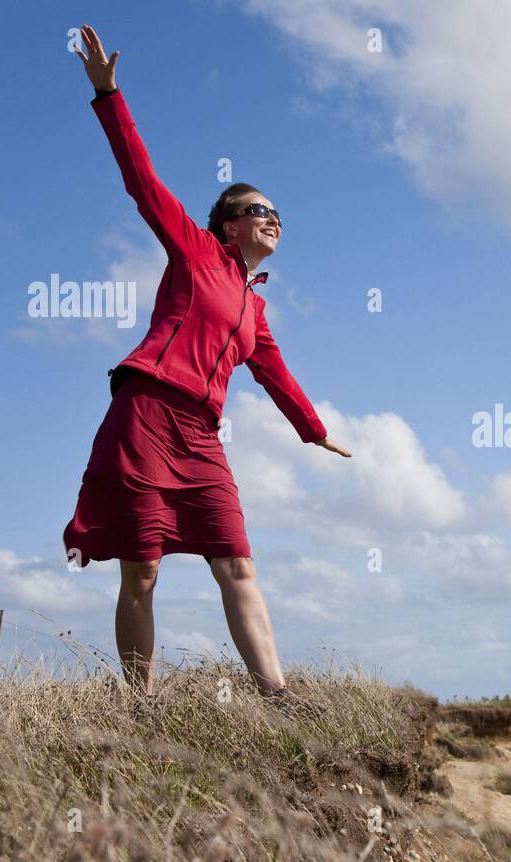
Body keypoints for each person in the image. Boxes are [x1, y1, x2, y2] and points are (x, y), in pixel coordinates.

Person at [64, 24, 350, 705]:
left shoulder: (255, 311)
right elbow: (142, 180)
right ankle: (140, 703)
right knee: (142, 573)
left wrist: (313, 430)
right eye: (259, 210)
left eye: (278, 212)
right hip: (147, 415)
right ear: (227, 224)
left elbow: (276, 376)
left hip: (201, 438)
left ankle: (277, 695)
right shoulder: (195, 253)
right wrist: (109, 94)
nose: (273, 218)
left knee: (237, 562)